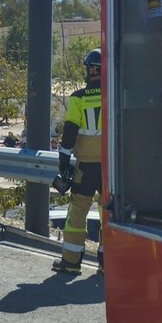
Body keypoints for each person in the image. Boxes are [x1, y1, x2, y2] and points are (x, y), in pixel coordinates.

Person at [52, 48, 104, 275]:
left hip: (86, 167)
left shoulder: (78, 99)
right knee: (109, 214)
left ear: (88, 71)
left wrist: (64, 159)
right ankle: (107, 265)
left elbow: (71, 131)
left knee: (77, 212)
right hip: (111, 169)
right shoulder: (113, 95)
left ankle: (71, 262)